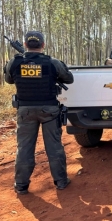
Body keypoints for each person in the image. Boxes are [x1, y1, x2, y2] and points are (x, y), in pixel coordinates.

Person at [4, 31, 74, 194]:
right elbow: (69, 78)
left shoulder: (14, 62)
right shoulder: (52, 62)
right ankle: (61, 182)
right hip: (49, 110)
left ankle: (21, 185)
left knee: (25, 148)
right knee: (54, 146)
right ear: (43, 45)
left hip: (25, 110)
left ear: (26, 45)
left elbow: (8, 80)